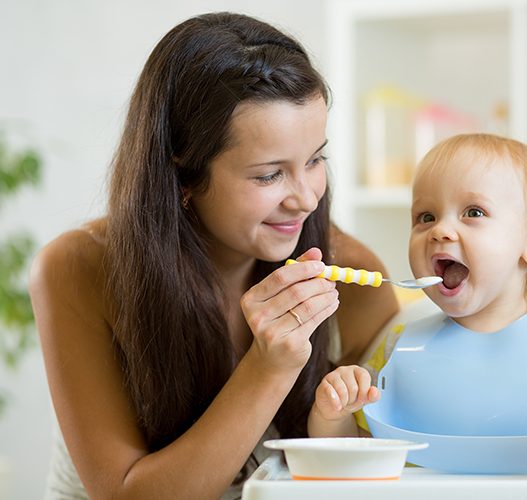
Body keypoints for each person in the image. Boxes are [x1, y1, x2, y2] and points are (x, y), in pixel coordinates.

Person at [29, 12, 398, 499]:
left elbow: (379, 459)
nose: (306, 199)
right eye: (269, 175)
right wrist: (269, 367)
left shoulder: (350, 275)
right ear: (182, 175)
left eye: (314, 160)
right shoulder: (78, 268)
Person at [308, 133, 527, 441]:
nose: (440, 231)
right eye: (425, 217)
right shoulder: (397, 349)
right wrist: (333, 414)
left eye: (473, 213)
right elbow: (354, 450)